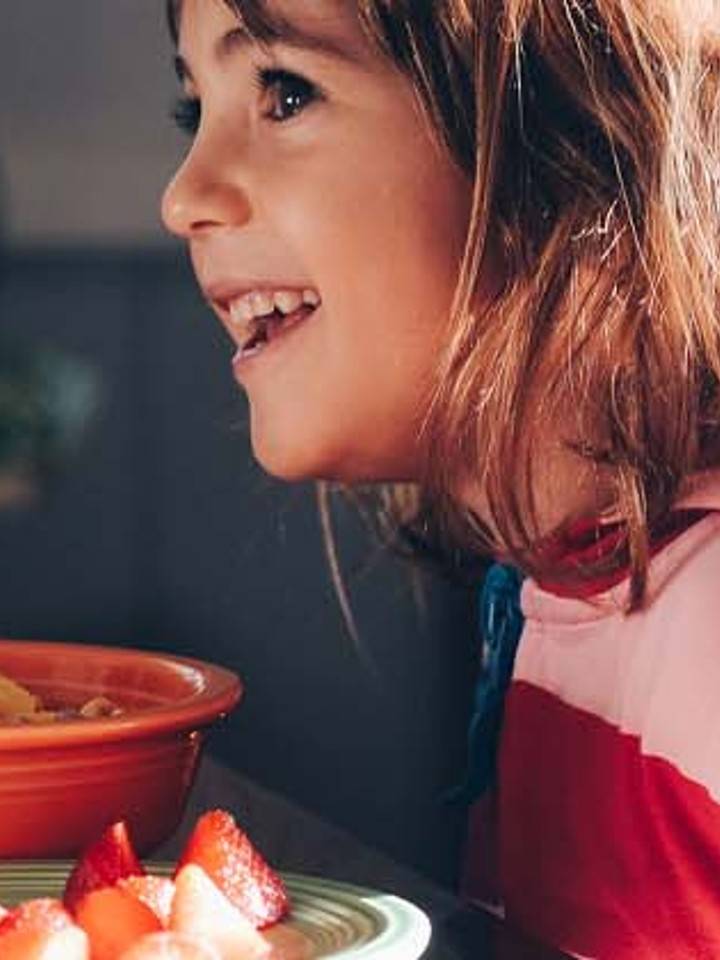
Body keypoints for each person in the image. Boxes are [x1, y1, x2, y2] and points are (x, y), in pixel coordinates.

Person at [161, 1, 720, 956]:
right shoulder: (559, 589)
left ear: (564, 137)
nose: (182, 197)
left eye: (285, 92)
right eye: (193, 111)